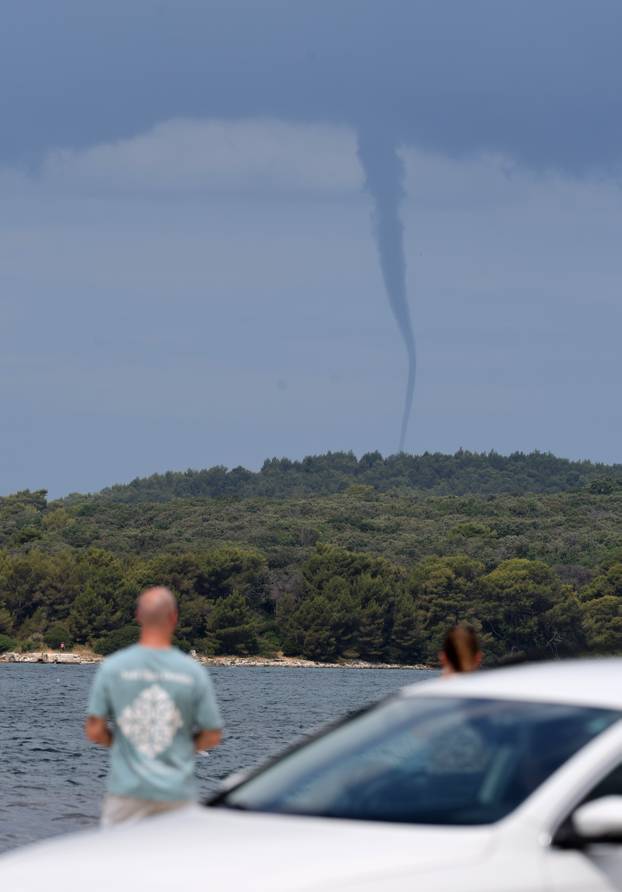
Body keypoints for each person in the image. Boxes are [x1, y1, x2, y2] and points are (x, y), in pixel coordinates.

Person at [85, 586, 222, 827]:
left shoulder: (113, 668)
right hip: (176, 794)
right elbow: (212, 734)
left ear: (138, 616)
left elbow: (95, 730)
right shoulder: (193, 673)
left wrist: (123, 745)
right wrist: (181, 747)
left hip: (126, 793)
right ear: (174, 618)